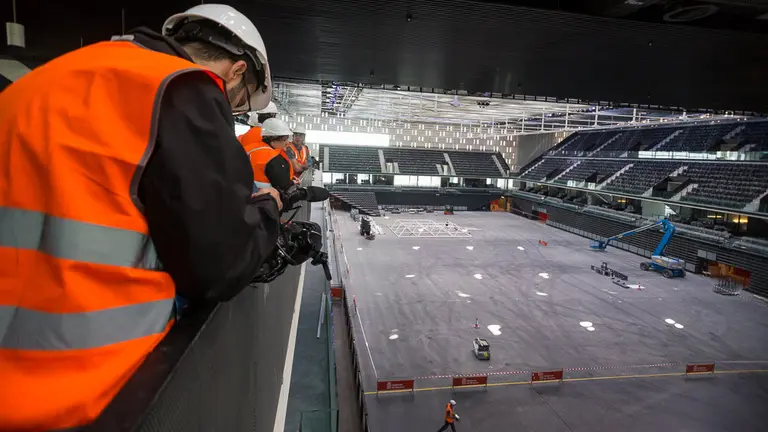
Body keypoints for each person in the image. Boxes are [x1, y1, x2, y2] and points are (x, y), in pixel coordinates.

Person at [0, 4, 284, 430]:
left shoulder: (50, 78)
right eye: (239, 103)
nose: (232, 112)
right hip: (90, 391)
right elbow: (221, 261)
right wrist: (269, 212)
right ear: (236, 71)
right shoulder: (183, 88)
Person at [249, 117, 295, 192]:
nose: (287, 143)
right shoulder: (273, 158)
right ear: (274, 138)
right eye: (284, 139)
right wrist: (292, 182)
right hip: (262, 199)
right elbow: (283, 185)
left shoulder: (249, 148)